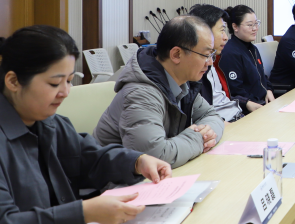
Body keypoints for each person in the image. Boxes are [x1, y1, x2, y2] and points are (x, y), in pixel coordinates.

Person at [0, 26, 172, 224]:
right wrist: (83, 213)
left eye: (70, 81)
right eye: (54, 83)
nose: (65, 92)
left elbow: (92, 159)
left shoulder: (50, 122)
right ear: (13, 81)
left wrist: (137, 161)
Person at [94, 16, 224, 168]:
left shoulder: (183, 82)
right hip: (114, 179)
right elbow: (155, 157)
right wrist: (198, 138)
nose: (210, 62)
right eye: (206, 55)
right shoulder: (141, 93)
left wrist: (206, 134)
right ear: (176, 54)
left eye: (211, 55)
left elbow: (212, 116)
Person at [189, 4, 262, 121]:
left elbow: (222, 97)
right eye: (222, 30)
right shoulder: (194, 67)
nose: (226, 37)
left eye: (256, 24)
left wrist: (246, 103)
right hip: (224, 122)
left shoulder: (213, 59)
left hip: (236, 114)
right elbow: (200, 113)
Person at [218, 5, 275, 104]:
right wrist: (255, 103)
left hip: (263, 101)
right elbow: (235, 91)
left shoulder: (253, 49)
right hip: (251, 106)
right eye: (250, 25)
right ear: (235, 27)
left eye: (256, 23)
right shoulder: (230, 53)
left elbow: (262, 76)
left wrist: (268, 90)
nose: (255, 28)